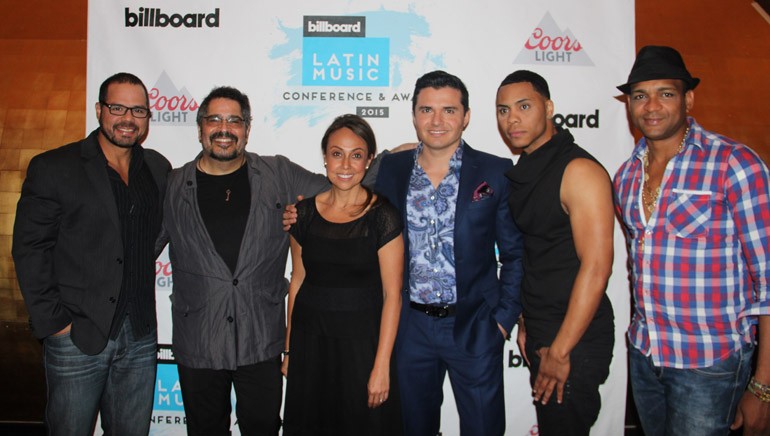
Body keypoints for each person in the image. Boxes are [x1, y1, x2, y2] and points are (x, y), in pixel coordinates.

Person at [614, 45, 770, 436]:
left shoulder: (735, 164)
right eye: (639, 95)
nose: (651, 106)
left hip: (709, 363)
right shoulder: (625, 176)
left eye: (665, 93)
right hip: (645, 354)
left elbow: (768, 280)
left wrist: (763, 386)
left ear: (688, 99)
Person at [157, 86, 330, 435]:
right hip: (199, 341)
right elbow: (140, 249)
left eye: (234, 120)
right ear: (200, 127)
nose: (224, 128)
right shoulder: (173, 186)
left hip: (260, 338)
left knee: (264, 428)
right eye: (215, 119)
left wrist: (390, 160)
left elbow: (343, 190)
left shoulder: (278, 174)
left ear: (247, 129)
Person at [12, 72, 170, 435]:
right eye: (118, 108)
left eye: (138, 110)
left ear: (147, 117)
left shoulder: (158, 169)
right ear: (99, 110)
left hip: (141, 334)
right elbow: (29, 248)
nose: (128, 119)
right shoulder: (55, 167)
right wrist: (56, 323)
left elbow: (155, 236)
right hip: (77, 335)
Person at [374, 70, 524, 435]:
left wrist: (503, 320)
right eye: (426, 110)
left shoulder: (496, 170)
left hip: (475, 325)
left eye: (449, 110)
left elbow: (516, 253)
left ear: (466, 116)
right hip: (411, 328)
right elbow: (345, 186)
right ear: (413, 116)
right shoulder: (392, 169)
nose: (437, 121)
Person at [496, 70, 615, 435]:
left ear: (549, 108)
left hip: (574, 336)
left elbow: (597, 268)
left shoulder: (579, 170)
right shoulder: (527, 170)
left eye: (524, 106)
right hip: (543, 327)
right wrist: (526, 322)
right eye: (502, 110)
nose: (511, 118)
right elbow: (535, 255)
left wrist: (561, 350)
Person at [281, 114, 404, 435]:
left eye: (357, 154)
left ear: (369, 161)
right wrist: (290, 351)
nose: (346, 163)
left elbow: (393, 295)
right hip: (311, 347)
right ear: (325, 157)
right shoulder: (302, 214)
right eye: (337, 153)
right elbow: (297, 282)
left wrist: (382, 366)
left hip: (362, 350)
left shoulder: (383, 216)